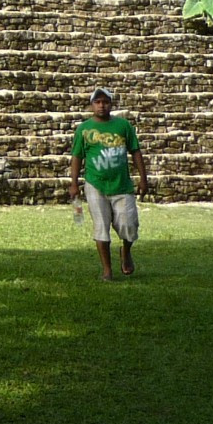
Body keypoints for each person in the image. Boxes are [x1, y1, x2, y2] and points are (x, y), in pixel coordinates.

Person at [69, 88, 149, 281]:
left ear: (111, 104)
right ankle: (107, 269)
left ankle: (126, 251)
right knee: (101, 226)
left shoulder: (123, 126)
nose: (101, 105)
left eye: (105, 102)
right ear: (92, 105)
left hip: (122, 185)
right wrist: (73, 183)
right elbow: (77, 156)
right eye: (97, 102)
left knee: (129, 225)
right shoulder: (84, 129)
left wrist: (143, 178)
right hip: (95, 184)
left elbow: (135, 151)